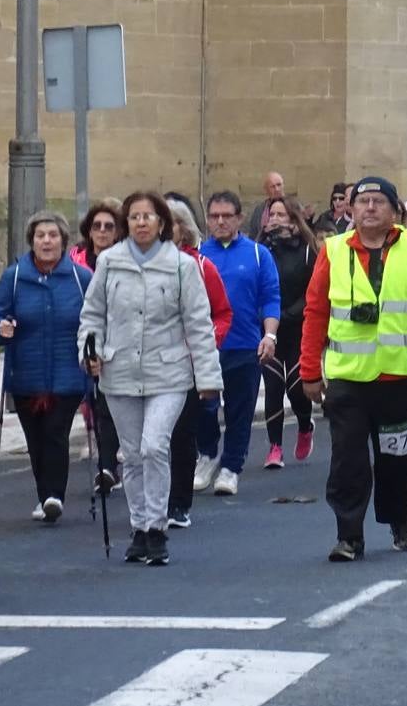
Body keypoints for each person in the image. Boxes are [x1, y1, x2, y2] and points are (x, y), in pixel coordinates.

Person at [301, 176, 407, 560]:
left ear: (393, 211)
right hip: (347, 378)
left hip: (397, 377)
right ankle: (349, 536)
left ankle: (399, 519)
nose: (369, 208)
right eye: (362, 201)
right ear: (350, 209)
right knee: (347, 460)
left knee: (395, 460)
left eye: (378, 201)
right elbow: (316, 311)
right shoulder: (334, 250)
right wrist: (309, 370)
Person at [79, 192, 223, 567]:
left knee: (154, 445)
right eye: (135, 217)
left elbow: (199, 324)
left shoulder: (181, 266)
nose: (141, 223)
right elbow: (92, 315)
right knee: (131, 454)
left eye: (149, 217)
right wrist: (88, 353)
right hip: (120, 371)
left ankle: (157, 528)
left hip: (169, 372)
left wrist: (208, 377)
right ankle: (139, 527)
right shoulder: (109, 263)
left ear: (162, 223)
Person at [0, 210, 92, 523]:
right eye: (40, 236)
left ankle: (53, 495)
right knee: (35, 438)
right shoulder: (15, 276)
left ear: (63, 240)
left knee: (56, 432)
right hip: (26, 373)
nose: (47, 241)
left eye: (53, 235)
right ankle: (44, 494)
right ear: (31, 241)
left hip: (68, 373)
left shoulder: (80, 277)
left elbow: (97, 318)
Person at [197, 191, 282, 497]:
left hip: (245, 345)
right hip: (204, 347)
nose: (220, 222)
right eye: (214, 216)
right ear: (207, 220)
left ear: (238, 218)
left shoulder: (259, 255)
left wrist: (269, 336)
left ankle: (231, 468)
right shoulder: (196, 255)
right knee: (203, 408)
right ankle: (206, 455)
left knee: (240, 411)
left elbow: (271, 298)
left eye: (226, 216)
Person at [161, 197, 232, 529]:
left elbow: (221, 313)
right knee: (150, 441)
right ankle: (152, 501)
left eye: (169, 223)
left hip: (185, 364)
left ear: (182, 228)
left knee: (180, 435)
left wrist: (205, 344)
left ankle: (178, 503)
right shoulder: (132, 266)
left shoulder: (201, 266)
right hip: (147, 366)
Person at [257, 197, 319, 467]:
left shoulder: (307, 251)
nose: (275, 219)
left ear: (294, 219)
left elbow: (314, 291)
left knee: (296, 390)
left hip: (297, 328)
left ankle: (305, 426)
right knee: (272, 387)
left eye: (282, 214)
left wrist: (287, 314)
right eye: (272, 215)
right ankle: (275, 447)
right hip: (268, 331)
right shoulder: (260, 250)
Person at [71, 201, 126, 489]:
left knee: (107, 404)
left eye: (109, 226)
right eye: (97, 226)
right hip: (82, 337)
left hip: (115, 341)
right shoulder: (75, 259)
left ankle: (107, 466)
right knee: (90, 401)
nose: (102, 232)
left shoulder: (125, 259)